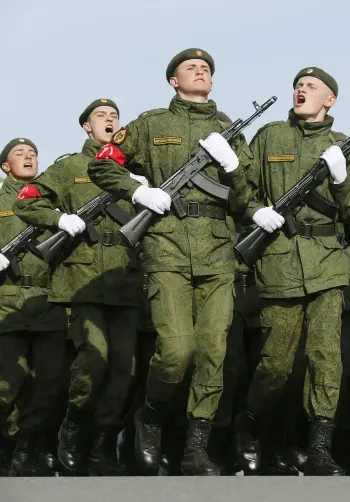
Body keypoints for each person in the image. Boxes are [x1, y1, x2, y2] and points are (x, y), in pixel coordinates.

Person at [87, 48, 253, 476]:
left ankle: (196, 448)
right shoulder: (151, 124)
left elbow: (246, 199)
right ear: (173, 80)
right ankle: (150, 416)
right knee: (177, 351)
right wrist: (138, 192)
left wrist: (234, 168)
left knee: (213, 352)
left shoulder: (229, 129)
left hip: (217, 251)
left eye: (206, 68)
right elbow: (102, 166)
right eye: (190, 67)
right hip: (167, 246)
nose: (200, 70)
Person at [234, 67, 350, 476]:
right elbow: (242, 186)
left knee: (326, 358)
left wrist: (341, 179)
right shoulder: (270, 136)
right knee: (276, 363)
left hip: (327, 263)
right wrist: (256, 210)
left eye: (312, 86)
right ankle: (249, 427)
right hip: (280, 259)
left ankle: (319, 448)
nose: (301, 90)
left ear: (330, 100)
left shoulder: (341, 145)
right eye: (298, 85)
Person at [14, 99, 144, 476]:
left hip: (124, 278)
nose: (110, 120)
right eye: (101, 116)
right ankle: (72, 426)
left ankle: (103, 445)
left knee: (124, 369)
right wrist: (58, 220)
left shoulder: (135, 169)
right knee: (93, 359)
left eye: (114, 116)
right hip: (83, 280)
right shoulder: (70, 166)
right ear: (87, 126)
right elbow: (26, 203)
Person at [0, 138, 68, 476]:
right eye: (20, 154)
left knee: (49, 382)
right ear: (5, 166)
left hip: (48, 300)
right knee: (8, 383)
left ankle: (25, 447)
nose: (28, 158)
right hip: (7, 302)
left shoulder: (52, 198)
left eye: (33, 154)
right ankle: (8, 442)